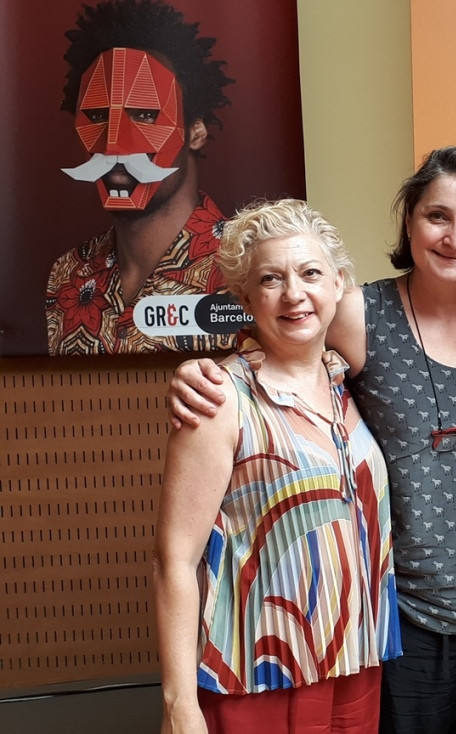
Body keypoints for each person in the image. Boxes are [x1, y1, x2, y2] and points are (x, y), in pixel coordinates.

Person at [165, 148, 456, 733]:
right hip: (402, 618)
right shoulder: (360, 313)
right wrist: (201, 374)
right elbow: (284, 335)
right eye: (437, 216)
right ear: (409, 221)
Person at [152, 198, 399, 734]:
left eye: (310, 273)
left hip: (357, 659)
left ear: (338, 284)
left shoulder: (349, 382)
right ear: (246, 297)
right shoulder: (219, 398)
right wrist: (178, 705)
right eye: (271, 279)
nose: (294, 293)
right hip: (259, 678)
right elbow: (174, 560)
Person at [46, 0, 237, 355]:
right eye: (97, 116)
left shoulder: (253, 266)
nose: (113, 145)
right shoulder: (67, 275)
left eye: (146, 114)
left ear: (195, 132)